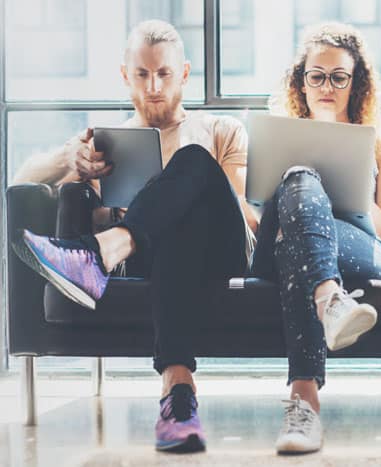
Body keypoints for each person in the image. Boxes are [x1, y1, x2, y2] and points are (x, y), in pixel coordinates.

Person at [12, 20, 259, 453]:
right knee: (172, 232)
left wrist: (189, 176)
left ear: (183, 74)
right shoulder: (105, 146)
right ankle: (177, 395)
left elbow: (245, 218)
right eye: (142, 74)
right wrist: (70, 157)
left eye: (164, 74)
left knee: (194, 159)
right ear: (126, 75)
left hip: (223, 253)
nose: (154, 86)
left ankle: (99, 254)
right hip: (156, 260)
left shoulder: (222, 130)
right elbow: (22, 182)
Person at [251, 23, 381, 454]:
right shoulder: (281, 138)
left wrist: (347, 182)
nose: (327, 86)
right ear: (302, 80)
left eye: (339, 76)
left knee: (298, 243)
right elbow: (262, 222)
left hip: (362, 247)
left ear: (357, 83)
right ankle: (329, 299)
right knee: (298, 177)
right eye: (317, 75)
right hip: (282, 245)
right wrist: (305, 176)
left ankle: (304, 403)